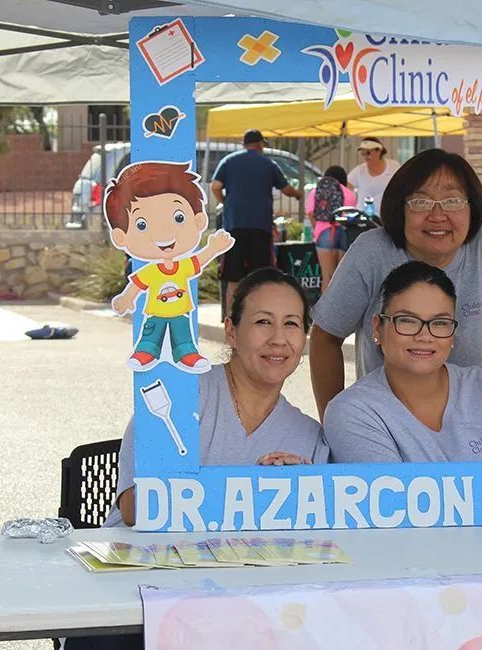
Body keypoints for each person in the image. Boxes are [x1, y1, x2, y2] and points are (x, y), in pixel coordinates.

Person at [309, 148, 482, 419]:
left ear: (472, 207)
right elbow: (325, 337)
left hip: (471, 429)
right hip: (382, 424)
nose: (437, 215)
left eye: (452, 200)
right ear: (400, 208)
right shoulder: (371, 252)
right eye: (420, 202)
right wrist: (335, 423)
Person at [104, 267, 329, 529]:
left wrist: (301, 492)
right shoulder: (180, 396)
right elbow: (137, 507)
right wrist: (257, 490)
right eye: (263, 322)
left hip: (241, 566)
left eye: (291, 323)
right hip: (142, 563)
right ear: (231, 331)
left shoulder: (309, 437)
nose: (278, 339)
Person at [324, 261, 482, 463]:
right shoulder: (352, 410)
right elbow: (394, 497)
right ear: (378, 328)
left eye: (440, 323)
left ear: (453, 334)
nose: (425, 336)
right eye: (407, 320)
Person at [104, 161, 233, 373]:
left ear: (198, 220)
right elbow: (137, 285)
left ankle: (187, 353)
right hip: (155, 312)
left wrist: (213, 248)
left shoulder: (182, 266)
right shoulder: (151, 271)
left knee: (183, 334)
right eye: (142, 224)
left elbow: (198, 261)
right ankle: (146, 351)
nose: (164, 232)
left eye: (178, 217)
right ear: (121, 236)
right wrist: (127, 298)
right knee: (151, 333)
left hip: (179, 311)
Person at [210, 128, 302, 314]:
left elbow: (215, 186)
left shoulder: (228, 161)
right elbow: (286, 189)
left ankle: (231, 318)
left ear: (244, 144)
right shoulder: (268, 164)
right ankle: (257, 317)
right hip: (260, 227)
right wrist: (299, 194)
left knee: (233, 277)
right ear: (260, 145)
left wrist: (226, 203)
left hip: (234, 226)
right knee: (259, 277)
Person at [305, 165, 356, 291]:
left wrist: (317, 229)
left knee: (327, 277)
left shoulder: (316, 191)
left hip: (324, 234)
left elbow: (311, 213)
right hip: (344, 233)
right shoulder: (349, 194)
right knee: (341, 277)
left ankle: (326, 310)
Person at [346, 137, 400, 215]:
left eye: (368, 153)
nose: (365, 157)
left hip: (387, 216)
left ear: (378, 151)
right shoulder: (359, 171)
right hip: (364, 218)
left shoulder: (394, 167)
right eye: (363, 154)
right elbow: (346, 188)